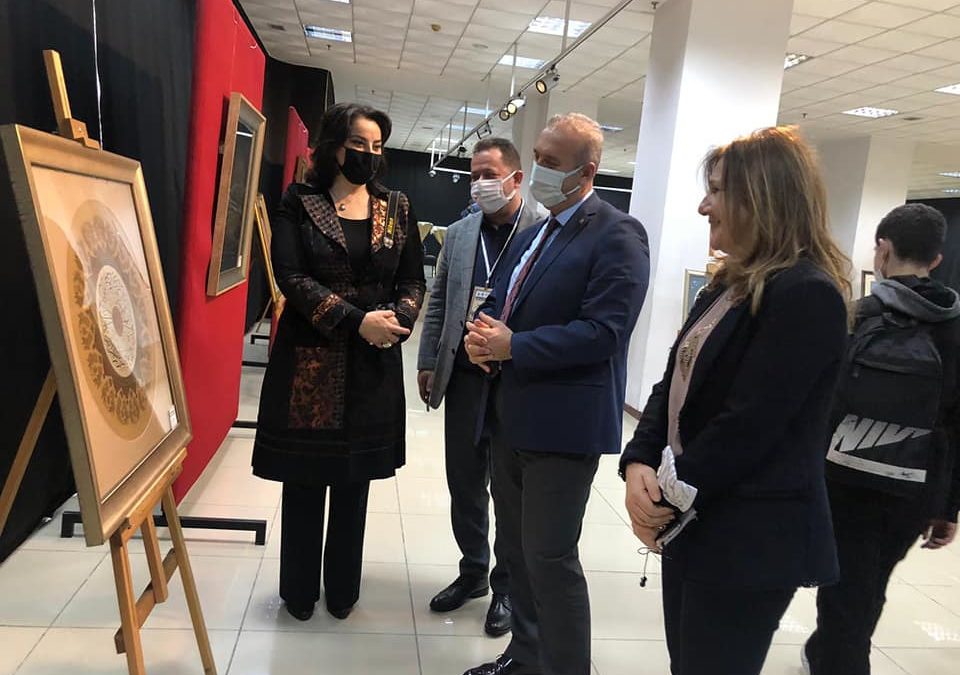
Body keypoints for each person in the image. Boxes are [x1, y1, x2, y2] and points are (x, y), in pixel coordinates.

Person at [620, 126, 851, 675]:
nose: (704, 206)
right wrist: (638, 461)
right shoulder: (727, 285)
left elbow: (748, 426)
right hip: (696, 518)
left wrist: (662, 500)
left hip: (748, 537)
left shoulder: (806, 293)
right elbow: (672, 385)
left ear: (763, 197)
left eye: (718, 191)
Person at [463, 113, 650, 675]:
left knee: (550, 558)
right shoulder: (537, 232)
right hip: (510, 417)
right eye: (537, 156)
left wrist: (515, 346)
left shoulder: (617, 233)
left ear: (586, 172)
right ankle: (525, 657)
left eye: (550, 162)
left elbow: (605, 332)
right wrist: (481, 338)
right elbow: (503, 301)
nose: (538, 169)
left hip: (562, 427)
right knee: (518, 553)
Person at [251, 102, 425, 622]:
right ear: (333, 146)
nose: (369, 154)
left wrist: (397, 320)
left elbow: (412, 279)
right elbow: (291, 277)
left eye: (376, 146)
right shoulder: (300, 202)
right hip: (312, 361)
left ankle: (343, 591)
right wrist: (356, 320)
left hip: (373, 362)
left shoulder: (396, 205)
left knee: (355, 482)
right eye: (358, 144)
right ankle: (299, 591)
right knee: (305, 481)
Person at [805, 203, 960, 675]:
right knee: (870, 585)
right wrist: (948, 507)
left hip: (845, 480)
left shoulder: (857, 315)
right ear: (936, 259)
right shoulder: (955, 328)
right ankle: (825, 653)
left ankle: (836, 660)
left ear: (883, 249)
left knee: (844, 594)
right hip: (916, 488)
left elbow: (819, 402)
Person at [417, 137, 539, 636]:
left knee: (509, 491)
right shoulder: (462, 232)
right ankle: (473, 573)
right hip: (464, 376)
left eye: (489, 174)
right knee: (464, 482)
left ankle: (506, 585)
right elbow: (440, 300)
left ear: (515, 178)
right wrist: (428, 360)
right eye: (474, 175)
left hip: (513, 381)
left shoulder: (543, 229)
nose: (480, 184)